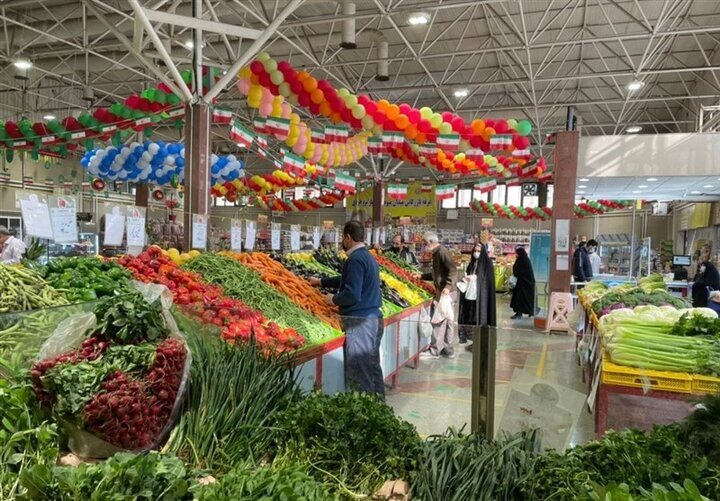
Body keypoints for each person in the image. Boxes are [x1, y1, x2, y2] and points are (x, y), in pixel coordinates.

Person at [309, 220, 384, 395]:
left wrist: (333, 299)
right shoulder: (366, 256)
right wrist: (320, 281)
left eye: (343, 238)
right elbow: (347, 279)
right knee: (372, 368)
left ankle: (364, 413)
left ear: (347, 237)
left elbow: (352, 294)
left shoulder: (355, 260)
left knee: (360, 372)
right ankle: (378, 407)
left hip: (360, 323)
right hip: (373, 319)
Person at [419, 231, 458, 359]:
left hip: (446, 292)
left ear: (431, 242)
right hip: (446, 291)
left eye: (425, 243)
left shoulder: (441, 252)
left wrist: (447, 287)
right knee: (448, 320)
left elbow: (452, 270)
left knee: (439, 320)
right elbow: (438, 274)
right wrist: (421, 276)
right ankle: (447, 349)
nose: (424, 245)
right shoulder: (437, 253)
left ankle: (435, 350)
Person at [458, 243, 496, 343]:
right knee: (469, 315)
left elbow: (487, 279)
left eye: (478, 251)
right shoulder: (472, 263)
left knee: (478, 315)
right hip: (470, 294)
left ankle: (479, 339)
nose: (476, 253)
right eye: (475, 251)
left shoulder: (487, 263)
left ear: (483, 252)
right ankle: (470, 336)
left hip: (481, 296)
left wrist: (475, 277)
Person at [510, 246, 536, 319]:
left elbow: (520, 272)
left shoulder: (524, 261)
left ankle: (521, 313)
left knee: (522, 299)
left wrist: (516, 273)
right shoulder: (522, 259)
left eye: (517, 253)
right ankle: (522, 312)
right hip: (523, 284)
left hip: (525, 284)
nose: (516, 255)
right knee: (522, 299)